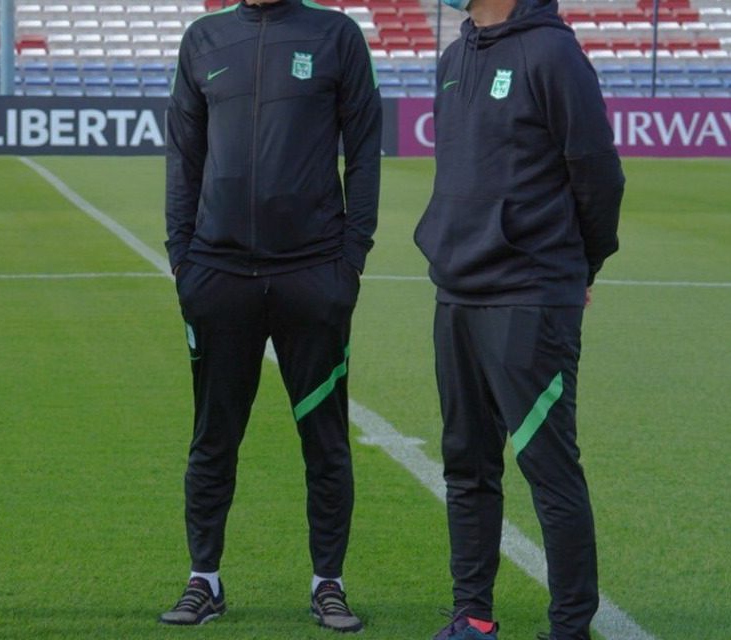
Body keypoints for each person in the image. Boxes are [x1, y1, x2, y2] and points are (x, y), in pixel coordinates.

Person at [162, 0, 381, 632]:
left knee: (325, 440)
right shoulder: (203, 39)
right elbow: (184, 154)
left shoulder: (335, 34)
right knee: (213, 437)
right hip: (218, 275)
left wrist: (351, 259)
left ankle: (328, 583)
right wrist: (183, 258)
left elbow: (365, 151)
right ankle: (204, 579)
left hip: (313, 274)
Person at [414, 1, 624, 639]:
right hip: (456, 292)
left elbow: (598, 176)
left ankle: (569, 628)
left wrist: (575, 269)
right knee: (467, 465)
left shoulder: (556, 53)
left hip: (530, 296)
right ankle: (471, 617)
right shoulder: (454, 57)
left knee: (549, 468)